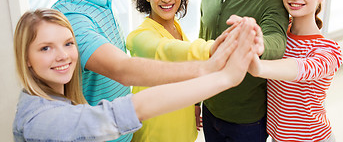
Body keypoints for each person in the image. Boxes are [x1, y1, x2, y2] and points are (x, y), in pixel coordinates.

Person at [51, 0, 231, 142]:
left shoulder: (101, 3)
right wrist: (211, 59)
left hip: (122, 132)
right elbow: (122, 69)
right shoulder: (71, 18)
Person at [12, 8, 257, 142]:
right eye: (45, 48)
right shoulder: (39, 121)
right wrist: (220, 75)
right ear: (26, 60)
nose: (62, 55)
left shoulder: (53, 99)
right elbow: (129, 109)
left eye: (68, 43)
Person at [198, 0, 289, 141]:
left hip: (246, 120)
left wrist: (258, 42)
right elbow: (200, 50)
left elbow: (276, 41)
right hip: (210, 107)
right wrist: (196, 101)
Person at [246, 0, 342, 142]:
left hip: (312, 139)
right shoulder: (278, 34)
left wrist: (258, 67)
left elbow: (301, 68)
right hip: (277, 137)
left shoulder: (329, 50)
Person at [127, 0, 219, 141]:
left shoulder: (176, 27)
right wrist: (213, 48)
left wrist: (195, 103)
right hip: (155, 134)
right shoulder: (139, 37)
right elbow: (166, 49)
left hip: (183, 132)